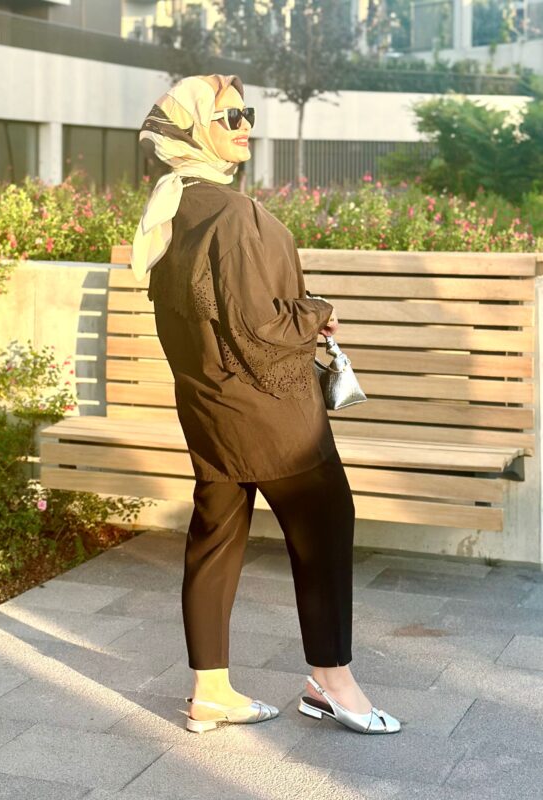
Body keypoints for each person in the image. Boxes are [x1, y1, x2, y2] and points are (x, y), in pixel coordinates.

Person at [130, 74, 401, 735]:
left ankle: (211, 692)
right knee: (326, 525)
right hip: (271, 415)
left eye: (246, 113)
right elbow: (260, 329)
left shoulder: (174, 209)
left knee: (216, 538)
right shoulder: (232, 214)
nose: (245, 125)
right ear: (192, 129)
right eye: (228, 117)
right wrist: (318, 311)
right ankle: (332, 682)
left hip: (209, 408)